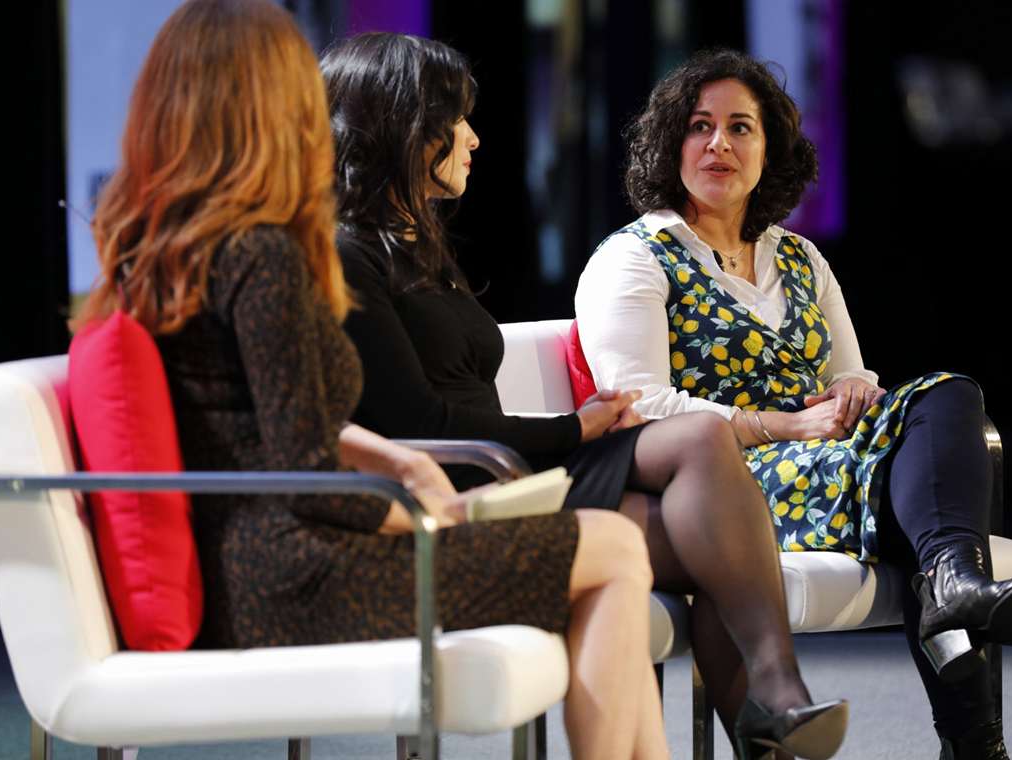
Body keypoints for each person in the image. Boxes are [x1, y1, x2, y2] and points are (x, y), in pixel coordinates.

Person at [70, 3, 668, 758]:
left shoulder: (167, 251)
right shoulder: (264, 256)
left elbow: (257, 423)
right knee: (614, 547)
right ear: (271, 106)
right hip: (297, 579)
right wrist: (435, 516)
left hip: (254, 565)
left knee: (608, 549)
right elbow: (309, 480)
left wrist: (399, 464)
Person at [324, 32, 849, 760]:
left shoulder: (415, 245)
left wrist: (577, 430)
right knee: (703, 463)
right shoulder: (347, 256)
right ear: (402, 127)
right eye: (456, 119)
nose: (474, 137)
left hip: (508, 468)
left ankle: (773, 713)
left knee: (712, 528)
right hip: (469, 484)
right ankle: (776, 700)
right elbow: (421, 421)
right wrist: (575, 429)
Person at [574, 47, 1012, 760]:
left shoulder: (800, 257)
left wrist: (853, 390)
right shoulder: (636, 257)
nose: (718, 143)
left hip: (830, 456)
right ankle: (973, 723)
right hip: (724, 485)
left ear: (768, 149)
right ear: (670, 143)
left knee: (947, 393)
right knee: (917, 492)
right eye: (699, 126)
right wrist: (785, 424)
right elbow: (639, 408)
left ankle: (952, 578)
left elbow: (852, 372)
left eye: (740, 127)